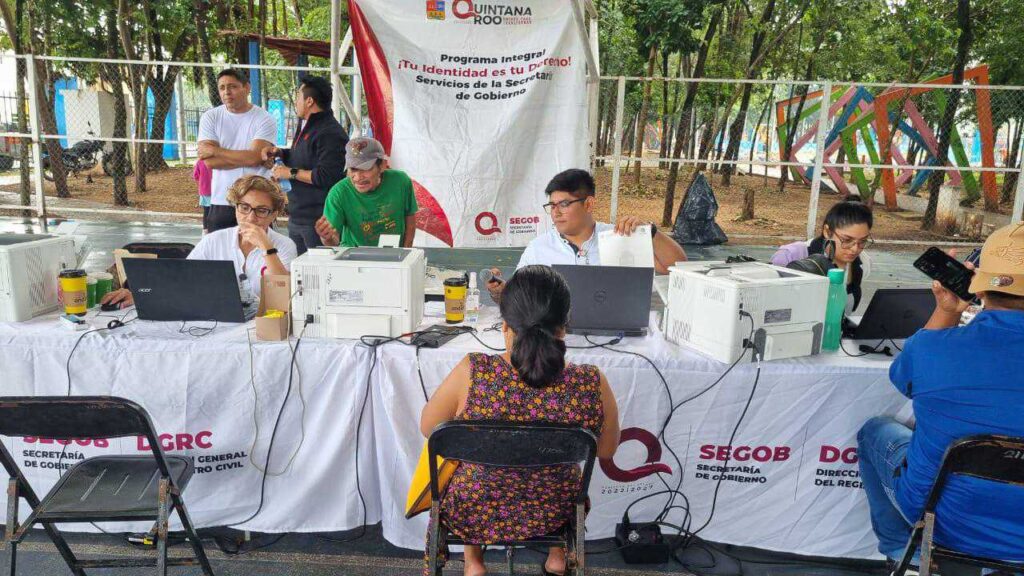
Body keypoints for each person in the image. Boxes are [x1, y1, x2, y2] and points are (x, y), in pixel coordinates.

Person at [420, 265, 620, 576]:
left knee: (468, 469)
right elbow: (606, 450)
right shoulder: (590, 382)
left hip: (474, 508)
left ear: (505, 325)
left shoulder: (473, 372)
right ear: (564, 327)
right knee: (565, 474)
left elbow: (429, 429)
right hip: (554, 509)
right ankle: (557, 557)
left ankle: (474, 563)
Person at [857, 223, 1024, 567]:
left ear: (979, 286)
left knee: (875, 432)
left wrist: (947, 311)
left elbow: (903, 379)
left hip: (944, 522)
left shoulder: (931, 350)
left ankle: (902, 552)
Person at [486, 169, 687, 302]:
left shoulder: (620, 237)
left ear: (589, 204)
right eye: (552, 206)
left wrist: (651, 233)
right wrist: (499, 292)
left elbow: (677, 267)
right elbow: (514, 296)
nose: (556, 213)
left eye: (564, 204)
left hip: (622, 336)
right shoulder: (539, 247)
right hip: (559, 339)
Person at [101, 176, 297, 308]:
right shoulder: (214, 241)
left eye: (261, 210)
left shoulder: (284, 245)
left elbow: (284, 295)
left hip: (264, 324)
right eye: (244, 207)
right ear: (235, 208)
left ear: (274, 214)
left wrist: (266, 248)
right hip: (216, 320)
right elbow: (183, 280)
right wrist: (140, 294)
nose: (251, 217)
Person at [262, 75, 348, 255]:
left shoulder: (330, 132)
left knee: (318, 269)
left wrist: (290, 172)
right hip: (298, 215)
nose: (296, 101)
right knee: (297, 268)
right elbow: (302, 156)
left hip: (318, 221)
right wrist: (280, 153)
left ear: (309, 101)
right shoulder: (306, 125)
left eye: (298, 96)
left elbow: (326, 175)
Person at [196, 68, 277, 233]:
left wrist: (215, 150)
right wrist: (250, 158)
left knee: (257, 247)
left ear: (246, 88)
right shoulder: (210, 117)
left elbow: (255, 157)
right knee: (219, 248)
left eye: (232, 86)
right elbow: (209, 162)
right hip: (221, 199)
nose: (227, 92)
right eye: (222, 87)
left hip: (256, 202)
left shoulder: (264, 118)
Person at [314, 137, 418, 248]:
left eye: (365, 169)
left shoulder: (401, 181)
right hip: (355, 255)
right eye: (353, 169)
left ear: (382, 165)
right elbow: (333, 242)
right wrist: (327, 237)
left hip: (395, 253)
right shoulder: (338, 193)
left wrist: (406, 252)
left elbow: (410, 217)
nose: (358, 177)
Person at [771, 199, 873, 312]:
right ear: (827, 231)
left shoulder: (862, 262)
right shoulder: (791, 256)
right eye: (847, 240)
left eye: (863, 241)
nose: (855, 249)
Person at [193, 158, 212, 234]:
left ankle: (205, 229)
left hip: (204, 190)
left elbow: (196, 176)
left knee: (206, 211)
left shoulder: (200, 162)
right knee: (215, 211)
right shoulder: (217, 161)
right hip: (216, 191)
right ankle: (213, 228)